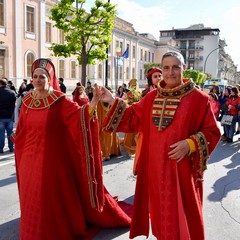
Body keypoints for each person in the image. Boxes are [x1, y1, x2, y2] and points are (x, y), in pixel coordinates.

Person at [101, 51, 221, 240]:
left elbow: (213, 132)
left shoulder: (199, 99)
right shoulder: (151, 98)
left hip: (182, 171)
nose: (170, 72)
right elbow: (132, 118)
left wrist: (190, 144)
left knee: (183, 218)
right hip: (156, 172)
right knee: (161, 218)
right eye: (166, 67)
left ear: (183, 69)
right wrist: (112, 101)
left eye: (175, 67)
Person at [11, 58, 131, 239]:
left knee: (47, 196)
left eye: (42, 77)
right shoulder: (27, 100)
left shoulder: (59, 101)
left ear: (49, 78)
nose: (38, 80)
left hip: (52, 160)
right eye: (35, 77)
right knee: (31, 197)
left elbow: (80, 117)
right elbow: (22, 128)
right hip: (28, 159)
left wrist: (94, 102)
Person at [0, 79, 16, 153]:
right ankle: (11, 147)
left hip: (1, 116)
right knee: (10, 132)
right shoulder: (12, 92)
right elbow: (14, 104)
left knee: (1, 133)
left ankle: (1, 148)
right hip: (10, 115)